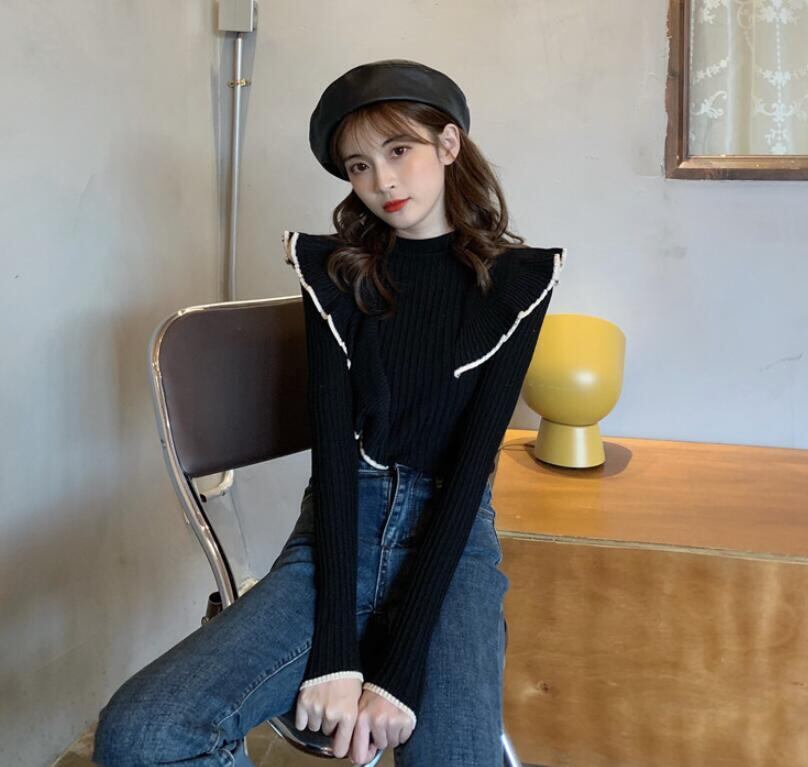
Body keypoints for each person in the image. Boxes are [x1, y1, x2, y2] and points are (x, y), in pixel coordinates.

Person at [92, 58, 565, 767]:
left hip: (453, 543)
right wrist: (336, 655)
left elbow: (469, 477)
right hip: (339, 532)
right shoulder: (334, 275)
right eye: (359, 166)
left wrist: (398, 671)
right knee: (144, 732)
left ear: (448, 144)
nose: (383, 182)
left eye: (398, 150)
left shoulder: (519, 284)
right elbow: (335, 463)